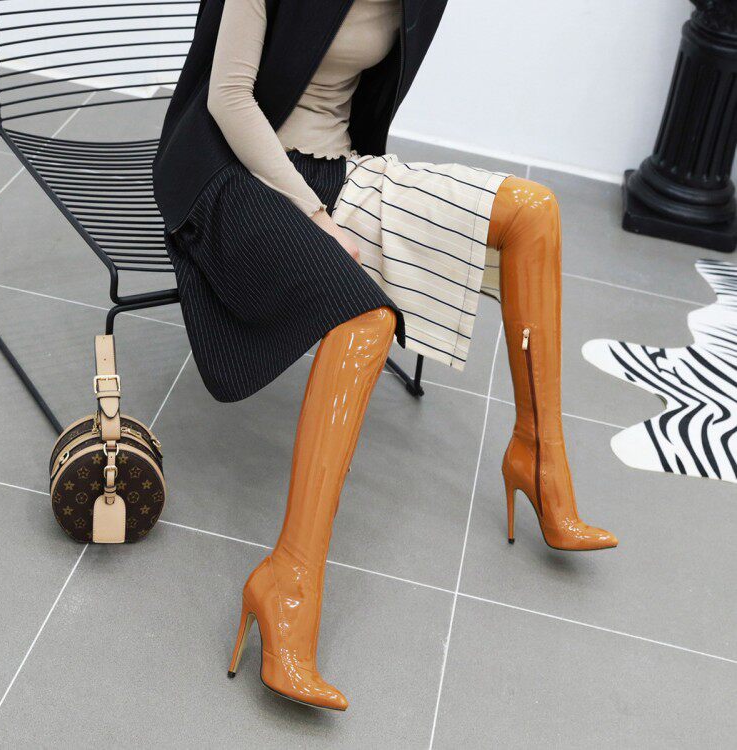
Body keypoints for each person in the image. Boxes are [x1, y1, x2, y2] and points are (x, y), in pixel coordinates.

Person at [154, 0, 618, 712]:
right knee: (364, 319)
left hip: (340, 172)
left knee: (534, 213)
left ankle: (538, 459)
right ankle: (288, 584)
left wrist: (343, 197)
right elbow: (228, 100)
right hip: (232, 174)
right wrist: (315, 217)